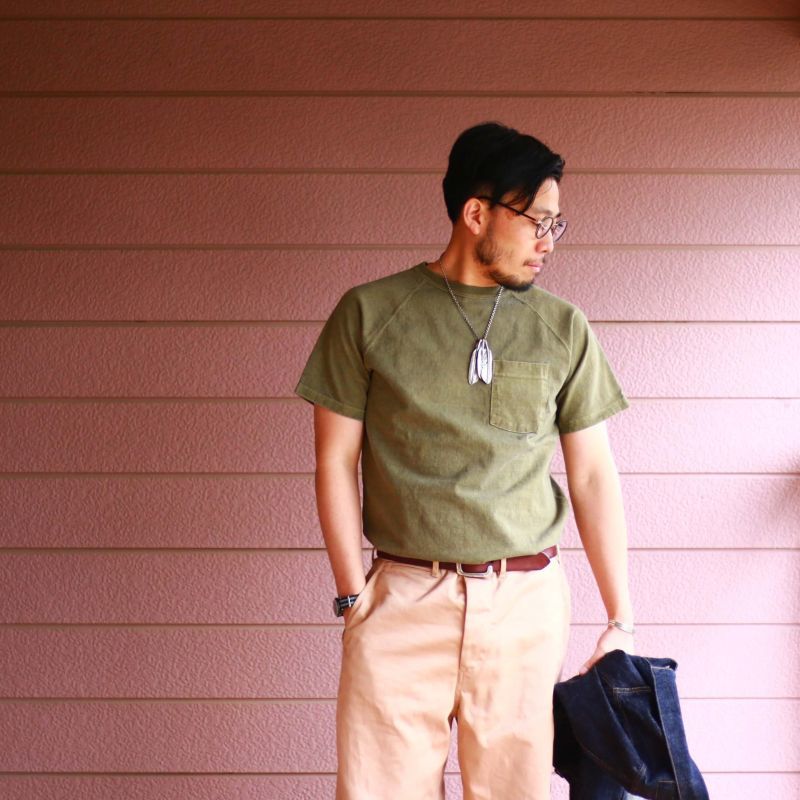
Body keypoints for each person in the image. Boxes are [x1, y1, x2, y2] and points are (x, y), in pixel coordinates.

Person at [294, 121, 636, 800]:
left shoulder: (562, 327)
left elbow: (593, 475)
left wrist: (620, 618)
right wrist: (353, 598)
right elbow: (334, 462)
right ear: (477, 213)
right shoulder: (370, 313)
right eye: (536, 221)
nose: (548, 241)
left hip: (523, 604)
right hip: (401, 600)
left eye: (557, 225)